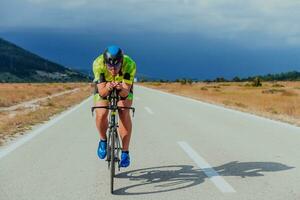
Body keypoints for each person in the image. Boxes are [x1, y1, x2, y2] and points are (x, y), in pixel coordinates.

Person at [92, 45, 136, 168]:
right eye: (110, 66)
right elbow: (102, 93)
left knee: (123, 110)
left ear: (121, 62)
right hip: (104, 85)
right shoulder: (98, 63)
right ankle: (103, 140)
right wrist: (108, 87)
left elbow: (125, 93)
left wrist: (120, 88)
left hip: (123, 85)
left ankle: (125, 152)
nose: (113, 69)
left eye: (116, 66)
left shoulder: (130, 64)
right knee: (101, 113)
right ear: (105, 63)